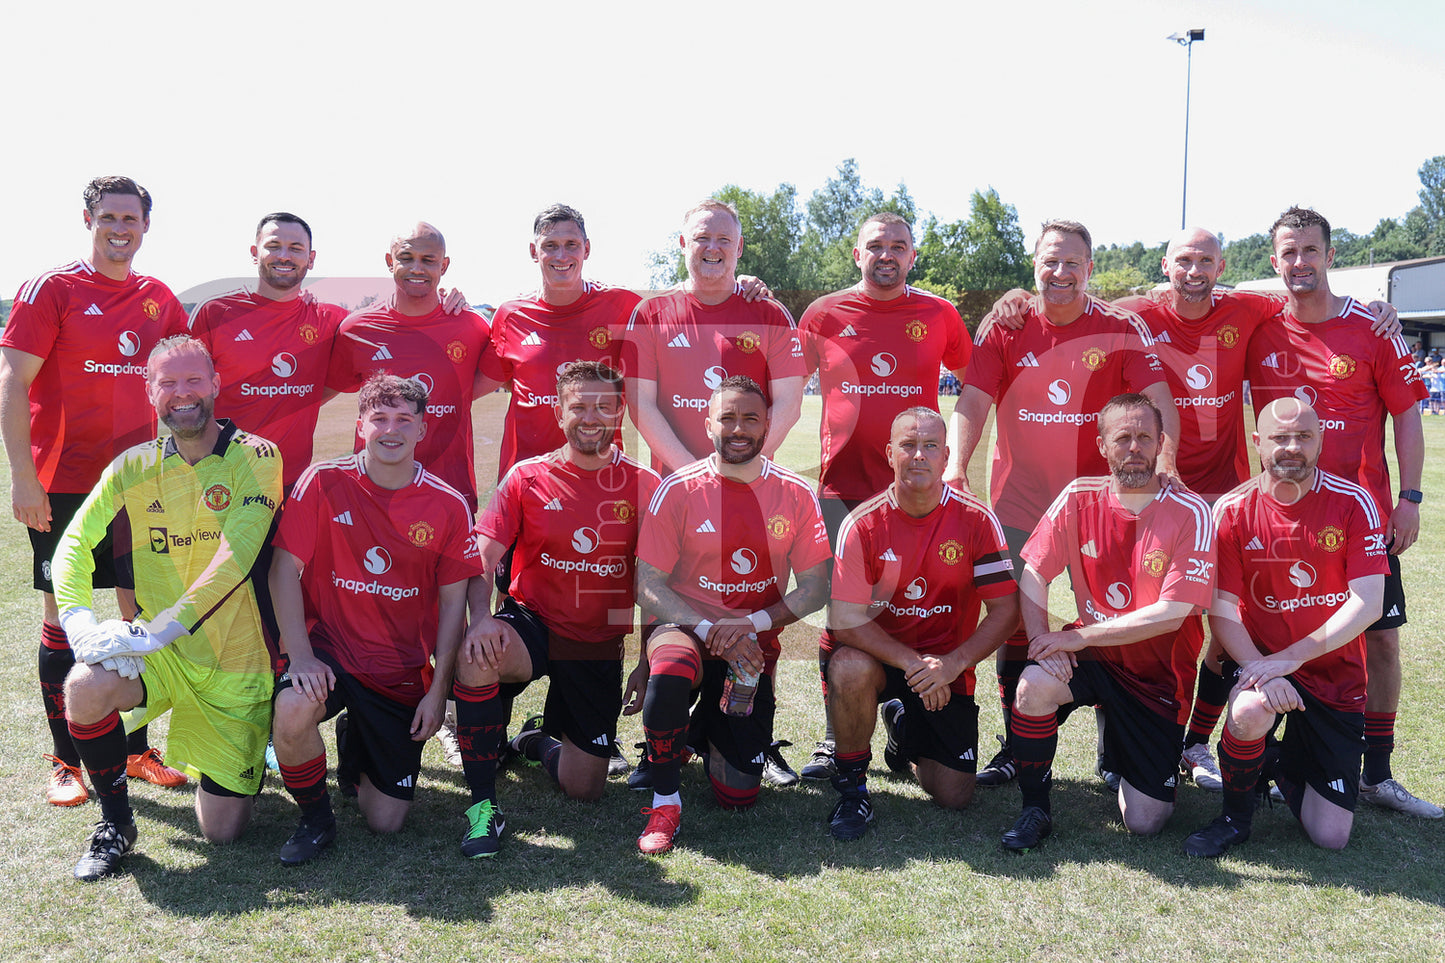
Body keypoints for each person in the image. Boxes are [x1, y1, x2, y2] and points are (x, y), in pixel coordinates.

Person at [952, 220, 1176, 790]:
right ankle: (1011, 742)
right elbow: (973, 402)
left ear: (1090, 268)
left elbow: (1158, 404)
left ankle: (1115, 748)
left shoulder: (1120, 329)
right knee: (1013, 622)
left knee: (1115, 613)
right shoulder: (1007, 326)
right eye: (1050, 261)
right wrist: (957, 465)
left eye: (1072, 262)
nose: (1059, 272)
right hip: (1020, 505)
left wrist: (1165, 465)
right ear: (1034, 265)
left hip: (1103, 508)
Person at [52, 334, 281, 880]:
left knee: (223, 832)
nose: (182, 394)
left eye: (193, 381)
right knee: (83, 687)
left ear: (215, 385)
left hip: (235, 663)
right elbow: (74, 543)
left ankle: (235, 760)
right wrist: (79, 619)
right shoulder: (134, 465)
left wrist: (154, 629)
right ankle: (116, 824)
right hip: (164, 655)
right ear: (150, 390)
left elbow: (236, 555)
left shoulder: (257, 455)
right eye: (168, 383)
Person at [1, 176, 190, 807]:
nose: (120, 227)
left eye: (130, 218)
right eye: (108, 216)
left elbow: (188, 379)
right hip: (62, 488)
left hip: (139, 485)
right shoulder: (51, 288)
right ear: (88, 219)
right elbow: (11, 382)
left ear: (145, 226)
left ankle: (134, 748)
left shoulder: (158, 298)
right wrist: (23, 478)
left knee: (141, 616)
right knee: (64, 619)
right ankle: (64, 759)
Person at [1246, 207, 1438, 819]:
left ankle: (1376, 775)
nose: (1299, 262)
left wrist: (1409, 499)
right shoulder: (1258, 325)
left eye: (1311, 250)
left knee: (1379, 643)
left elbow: (1407, 413)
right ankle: (1255, 760)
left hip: (1361, 520)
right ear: (1273, 261)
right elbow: (1185, 297)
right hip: (1278, 519)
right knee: (1257, 631)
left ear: (1331, 256)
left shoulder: (1373, 327)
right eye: (1288, 252)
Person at [449, 362, 660, 858]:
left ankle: (535, 741)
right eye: (579, 406)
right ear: (558, 410)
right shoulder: (528, 476)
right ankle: (483, 808)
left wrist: (646, 660)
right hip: (532, 622)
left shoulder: (645, 486)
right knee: (479, 656)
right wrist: (480, 619)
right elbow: (482, 555)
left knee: (583, 789)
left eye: (604, 406)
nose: (592, 417)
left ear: (620, 412)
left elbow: (656, 585)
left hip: (595, 641)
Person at [268, 374, 479, 865]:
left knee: (386, 822)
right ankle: (316, 818)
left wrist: (437, 690)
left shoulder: (447, 505)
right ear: (361, 425)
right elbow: (283, 569)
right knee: (294, 709)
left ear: (423, 429)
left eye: (405, 419)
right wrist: (299, 656)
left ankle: (358, 738)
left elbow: (453, 607)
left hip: (396, 669)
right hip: (331, 652)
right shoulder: (323, 481)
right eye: (380, 418)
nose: (392, 430)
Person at [796, 212, 973, 781]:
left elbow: (977, 377)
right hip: (841, 491)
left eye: (899, 246)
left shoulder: (938, 313)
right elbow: (784, 381)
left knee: (909, 600)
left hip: (912, 493)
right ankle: (836, 738)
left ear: (913, 255)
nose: (887, 255)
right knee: (840, 611)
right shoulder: (823, 314)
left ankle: (903, 706)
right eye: (876, 246)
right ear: (856, 253)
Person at [1000, 394, 1215, 851]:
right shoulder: (1078, 497)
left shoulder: (1192, 511)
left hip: (1156, 676)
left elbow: (1171, 615)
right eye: (1122, 438)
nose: (1133, 447)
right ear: (1103, 446)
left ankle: (1126, 745)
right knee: (1032, 686)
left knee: (1145, 822)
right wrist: (1042, 639)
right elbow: (1035, 572)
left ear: (1160, 443)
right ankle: (1035, 808)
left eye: (1143, 437)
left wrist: (1075, 637)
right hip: (1095, 656)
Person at [631, 376, 831, 854]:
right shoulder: (678, 488)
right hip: (685, 628)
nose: (738, 428)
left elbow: (816, 589)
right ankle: (665, 802)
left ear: (767, 426)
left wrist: (751, 624)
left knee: (738, 795)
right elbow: (646, 583)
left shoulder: (796, 494)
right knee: (674, 667)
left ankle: (696, 731)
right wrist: (706, 626)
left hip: (750, 646)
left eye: (750, 418)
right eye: (727, 417)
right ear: (708, 425)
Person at [1183, 399, 1388, 855]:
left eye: (1303, 437)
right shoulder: (1232, 511)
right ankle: (1235, 818)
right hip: (1263, 665)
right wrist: (1262, 669)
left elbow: (1369, 602)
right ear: (1258, 443)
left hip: (1335, 678)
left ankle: (1277, 765)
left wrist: (1287, 660)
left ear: (1321, 441)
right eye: (1279, 437)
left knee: (1330, 837)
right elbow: (1221, 611)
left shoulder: (1354, 503)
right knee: (1250, 710)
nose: (1292, 447)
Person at [823, 408, 1018, 839]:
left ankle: (902, 734)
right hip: (881, 657)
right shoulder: (862, 523)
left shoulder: (977, 520)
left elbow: (1006, 611)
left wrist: (952, 663)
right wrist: (914, 662)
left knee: (955, 795)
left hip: (946, 668)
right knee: (849, 666)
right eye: (908, 446)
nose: (919, 456)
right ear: (890, 453)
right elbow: (844, 620)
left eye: (930, 446)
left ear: (946, 455)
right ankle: (853, 788)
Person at [624, 199, 806, 477]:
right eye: (702, 238)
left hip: (750, 483)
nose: (713, 248)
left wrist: (742, 464)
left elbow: (789, 404)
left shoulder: (771, 314)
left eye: (724, 239)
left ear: (739, 247)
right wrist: (693, 473)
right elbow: (641, 405)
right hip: (676, 484)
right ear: (683, 243)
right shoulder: (650, 314)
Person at [327, 222, 491, 513]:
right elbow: (322, 390)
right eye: (406, 258)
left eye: (428, 260)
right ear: (390, 261)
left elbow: (479, 385)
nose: (417, 268)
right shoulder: (357, 329)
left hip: (450, 494)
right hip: (371, 494)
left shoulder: (473, 327)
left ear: (444, 265)